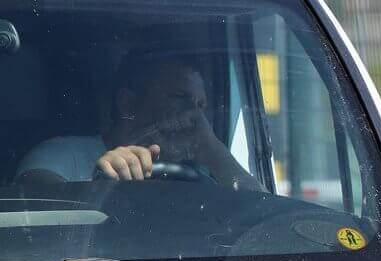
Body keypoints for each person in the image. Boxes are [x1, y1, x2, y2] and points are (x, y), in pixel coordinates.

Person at [15, 50, 262, 191]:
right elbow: (35, 215)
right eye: (180, 99)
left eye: (200, 106)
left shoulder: (197, 183)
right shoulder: (63, 155)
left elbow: (258, 223)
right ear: (128, 103)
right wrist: (100, 186)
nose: (195, 117)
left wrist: (215, 154)